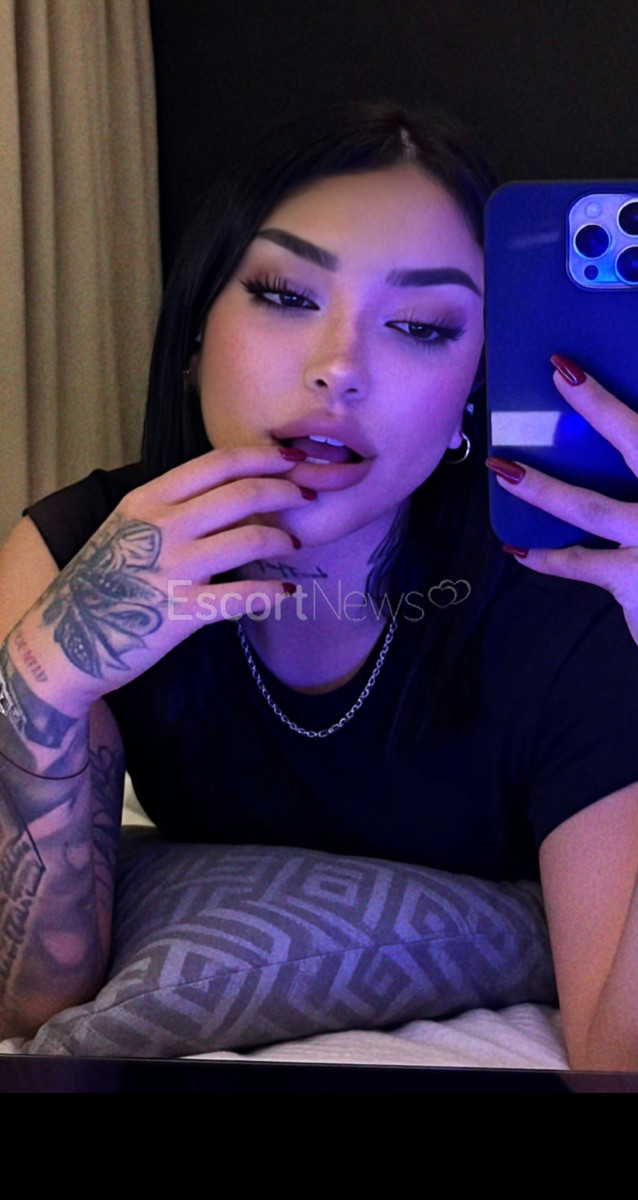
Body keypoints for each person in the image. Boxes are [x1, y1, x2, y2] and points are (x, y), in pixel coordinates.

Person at [1, 100, 638, 1069]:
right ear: (195, 336)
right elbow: (36, 1006)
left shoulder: (569, 601)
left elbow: (618, 1054)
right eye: (284, 295)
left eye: (419, 325)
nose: (338, 368)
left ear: (470, 389)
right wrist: (43, 688)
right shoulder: (78, 554)